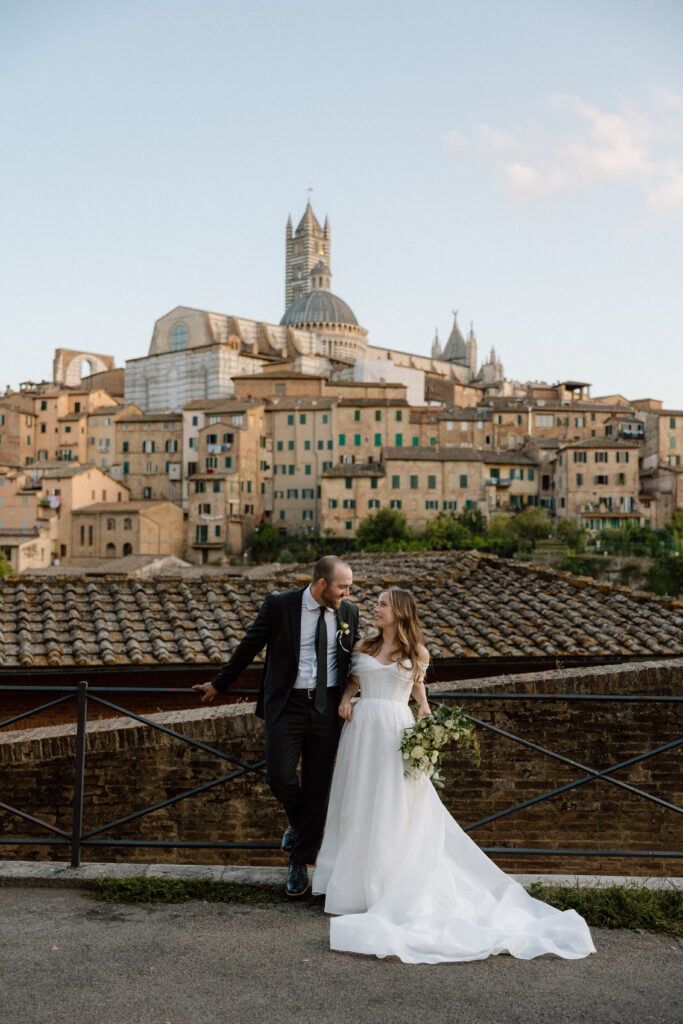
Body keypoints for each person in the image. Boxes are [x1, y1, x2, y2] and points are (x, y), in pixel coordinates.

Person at [312, 588, 596, 964]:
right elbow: (353, 681)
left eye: (382, 604)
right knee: (356, 803)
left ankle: (384, 883)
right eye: (377, 604)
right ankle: (351, 886)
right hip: (361, 730)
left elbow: (418, 688)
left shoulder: (417, 653)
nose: (376, 609)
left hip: (395, 729)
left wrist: (426, 714)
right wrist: (347, 699)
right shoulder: (364, 645)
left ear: (400, 611)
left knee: (393, 805)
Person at [193, 555, 358, 897]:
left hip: (328, 708)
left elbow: (355, 658)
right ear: (322, 583)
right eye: (343, 586)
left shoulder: (348, 612)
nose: (348, 593)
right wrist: (219, 684)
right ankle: (299, 826)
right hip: (287, 705)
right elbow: (249, 645)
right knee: (280, 775)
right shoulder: (280, 606)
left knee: (318, 786)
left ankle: (299, 863)